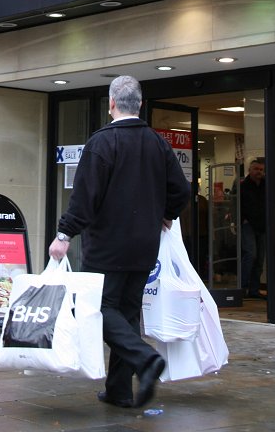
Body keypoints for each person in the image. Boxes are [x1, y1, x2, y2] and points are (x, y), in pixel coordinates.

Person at [49, 75, 191, 409]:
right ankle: (120, 391)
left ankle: (146, 360)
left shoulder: (101, 143)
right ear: (139, 104)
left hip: (107, 248)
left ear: (111, 103)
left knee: (98, 309)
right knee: (126, 315)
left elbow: (84, 198)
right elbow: (182, 192)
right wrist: (166, 212)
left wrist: (64, 234)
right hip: (144, 247)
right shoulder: (158, 143)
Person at [240, 159, 267, 300]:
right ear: (249, 170)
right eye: (256, 169)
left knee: (259, 259)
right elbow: (235, 203)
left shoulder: (266, 185)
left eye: (261, 169)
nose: (259, 172)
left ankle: (254, 290)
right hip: (248, 224)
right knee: (251, 254)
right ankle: (243, 287)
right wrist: (241, 219)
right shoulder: (243, 186)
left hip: (263, 225)